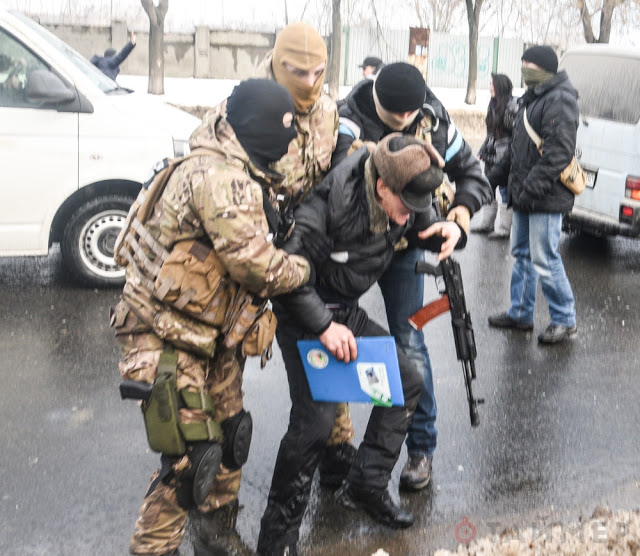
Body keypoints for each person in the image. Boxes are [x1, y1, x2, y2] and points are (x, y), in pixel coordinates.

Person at [111, 79, 311, 556]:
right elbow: (258, 267)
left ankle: (216, 537)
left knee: (231, 435)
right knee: (190, 459)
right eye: (282, 131)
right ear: (258, 129)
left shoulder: (237, 157)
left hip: (207, 333)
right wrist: (303, 266)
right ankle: (153, 549)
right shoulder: (220, 178)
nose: (287, 143)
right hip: (162, 336)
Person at [257, 133, 468, 555]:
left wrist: (449, 230)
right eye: (405, 206)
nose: (410, 215)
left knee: (407, 382)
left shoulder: (403, 197)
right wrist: (324, 327)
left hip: (345, 311)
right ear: (381, 187)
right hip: (304, 316)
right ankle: (277, 540)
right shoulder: (327, 209)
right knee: (314, 424)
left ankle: (366, 485)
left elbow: (423, 225)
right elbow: (284, 280)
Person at [335, 62, 492, 491]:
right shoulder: (348, 120)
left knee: (409, 343)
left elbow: (474, 175)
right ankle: (334, 445)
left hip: (406, 249)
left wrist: (458, 220)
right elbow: (330, 180)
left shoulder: (434, 120)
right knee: (334, 337)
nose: (405, 119)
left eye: (411, 113)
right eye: (396, 114)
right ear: (377, 101)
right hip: (353, 249)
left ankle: (421, 449)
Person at [253, 22, 359, 488]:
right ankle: (219, 487)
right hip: (256, 255)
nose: (310, 83)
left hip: (309, 253)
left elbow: (333, 172)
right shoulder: (247, 110)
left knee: (326, 348)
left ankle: (336, 450)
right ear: (279, 64)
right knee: (225, 375)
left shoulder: (327, 110)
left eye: (319, 72)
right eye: (299, 73)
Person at [486, 45, 579, 344]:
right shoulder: (532, 98)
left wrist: (529, 190)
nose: (525, 68)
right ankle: (520, 313)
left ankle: (564, 319)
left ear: (546, 68)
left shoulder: (560, 99)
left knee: (544, 257)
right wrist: (491, 179)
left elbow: (558, 154)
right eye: (523, 62)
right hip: (525, 195)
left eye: (530, 64)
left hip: (545, 197)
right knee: (523, 255)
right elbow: (516, 149)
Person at [474, 73, 518, 238]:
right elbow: (490, 134)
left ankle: (504, 229)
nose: (490, 87)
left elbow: (515, 136)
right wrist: (481, 152)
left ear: (500, 86)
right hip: (491, 156)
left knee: (505, 191)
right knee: (488, 187)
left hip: (505, 157)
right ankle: (487, 224)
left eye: (492, 84)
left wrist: (508, 155)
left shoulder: (512, 107)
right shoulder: (492, 105)